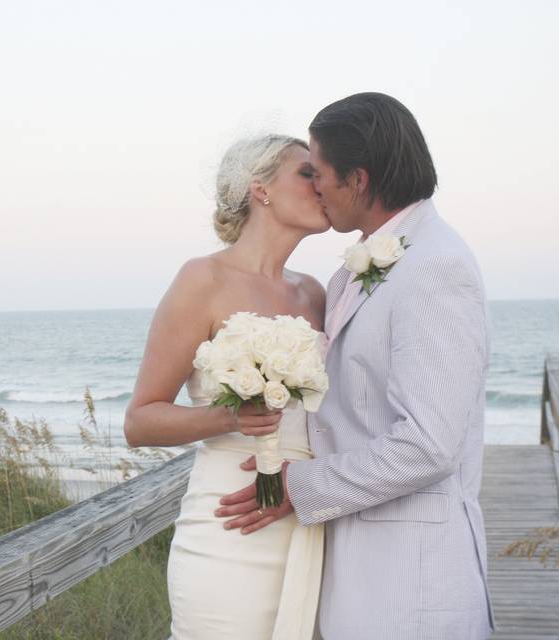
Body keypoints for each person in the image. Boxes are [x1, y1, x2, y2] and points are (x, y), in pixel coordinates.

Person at [215, 92, 495, 639]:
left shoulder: (436, 265)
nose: (314, 186)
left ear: (358, 180)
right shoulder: (356, 270)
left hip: (412, 585)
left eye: (318, 172)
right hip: (355, 570)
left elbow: (429, 443)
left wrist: (301, 485)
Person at [124, 133, 329, 639]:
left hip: (307, 519)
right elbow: (140, 419)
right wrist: (230, 417)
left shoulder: (315, 292)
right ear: (260, 189)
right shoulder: (203, 280)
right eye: (307, 172)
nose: (323, 182)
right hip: (230, 526)